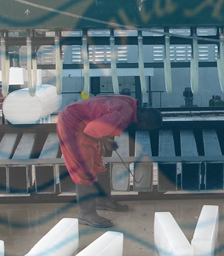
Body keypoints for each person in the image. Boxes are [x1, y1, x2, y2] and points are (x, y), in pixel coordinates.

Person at [57, 95, 163, 227]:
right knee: (84, 171)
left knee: (98, 166)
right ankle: (86, 214)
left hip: (84, 123)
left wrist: (104, 140)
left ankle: (103, 201)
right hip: (73, 123)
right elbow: (92, 130)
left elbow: (96, 123)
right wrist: (106, 142)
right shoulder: (123, 115)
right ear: (143, 123)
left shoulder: (130, 104)